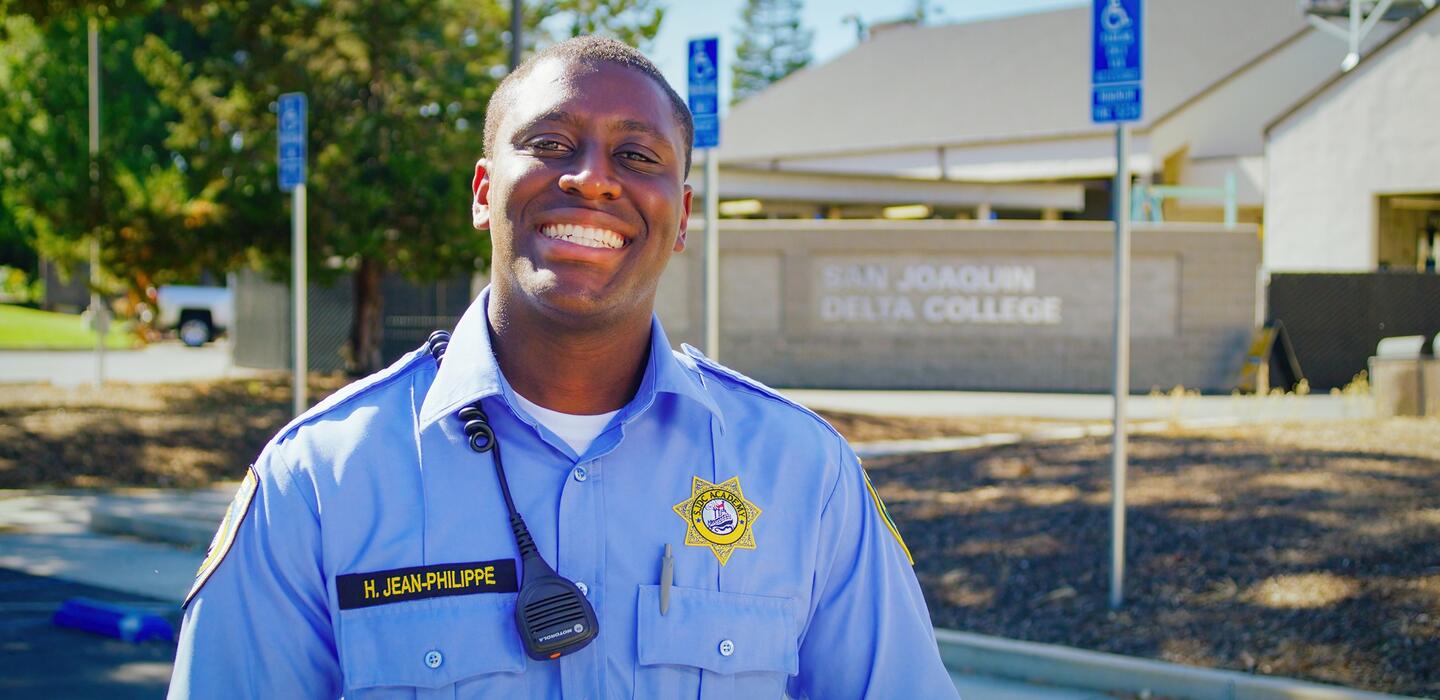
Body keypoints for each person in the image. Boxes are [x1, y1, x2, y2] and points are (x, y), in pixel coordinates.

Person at [168, 36, 960, 699]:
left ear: (682, 217)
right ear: (484, 193)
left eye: (635, 154)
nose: (591, 176)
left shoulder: (802, 474)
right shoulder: (319, 479)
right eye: (548, 145)